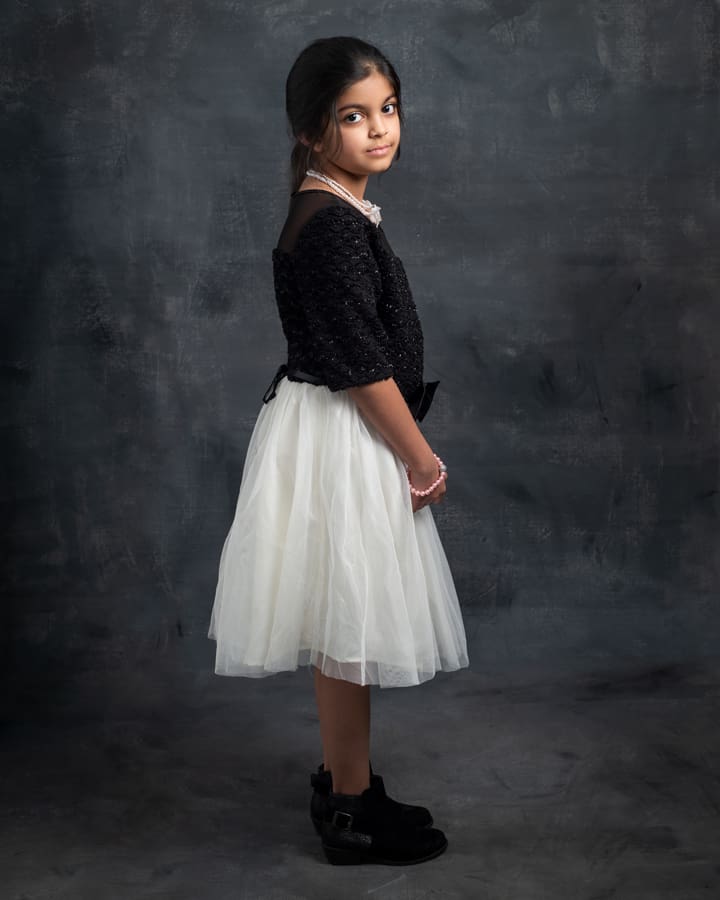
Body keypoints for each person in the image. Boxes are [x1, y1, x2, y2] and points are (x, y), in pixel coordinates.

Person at [208, 35, 469, 865]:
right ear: (314, 132)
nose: (378, 129)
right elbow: (362, 364)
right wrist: (421, 460)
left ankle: (345, 782)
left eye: (387, 109)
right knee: (348, 623)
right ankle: (351, 806)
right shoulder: (329, 226)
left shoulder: (337, 208)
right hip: (341, 433)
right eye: (353, 117)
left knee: (344, 622)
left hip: (330, 427)